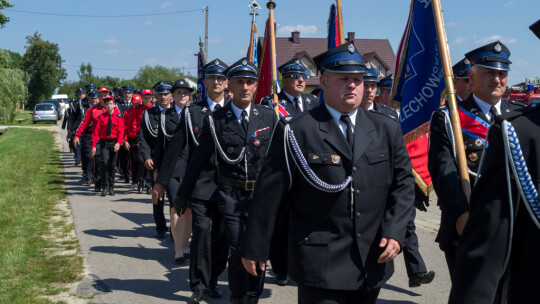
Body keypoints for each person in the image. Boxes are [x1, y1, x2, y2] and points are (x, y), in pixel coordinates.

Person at [241, 41, 414, 304]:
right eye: (343, 78)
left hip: (371, 258)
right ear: (322, 80)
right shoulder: (297, 130)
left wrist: (395, 231)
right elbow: (270, 193)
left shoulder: (386, 129)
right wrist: (255, 245)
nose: (353, 85)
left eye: (358, 79)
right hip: (320, 260)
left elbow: (402, 185)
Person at [176, 58, 277, 304]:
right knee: (239, 250)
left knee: (260, 251)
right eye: (240, 82)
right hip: (231, 198)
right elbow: (199, 158)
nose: (245, 87)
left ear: (255, 87)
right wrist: (183, 193)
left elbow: (278, 161)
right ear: (230, 85)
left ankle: (252, 294)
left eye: (250, 82)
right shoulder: (216, 119)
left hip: (259, 199)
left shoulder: (268, 117)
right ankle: (239, 297)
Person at [428, 41, 525, 285]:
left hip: (514, 228)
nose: (497, 79)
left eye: (502, 73)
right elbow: (443, 170)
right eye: (489, 72)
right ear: (471, 76)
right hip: (468, 225)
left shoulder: (519, 116)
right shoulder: (449, 118)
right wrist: (462, 216)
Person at [153, 58, 230, 303]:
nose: (216, 82)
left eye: (220, 78)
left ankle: (214, 279)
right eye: (211, 78)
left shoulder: (233, 110)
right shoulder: (192, 112)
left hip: (228, 188)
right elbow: (176, 146)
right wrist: (161, 181)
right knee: (202, 233)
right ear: (204, 82)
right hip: (200, 186)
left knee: (221, 238)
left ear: (226, 82)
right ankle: (199, 285)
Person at [361, 66, 435, 287]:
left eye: (373, 85)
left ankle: (417, 271)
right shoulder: (350, 115)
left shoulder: (389, 115)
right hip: (367, 185)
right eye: (366, 85)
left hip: (391, 183)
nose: (369, 90)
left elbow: (401, 152)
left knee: (407, 223)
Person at [259, 57, 319, 287]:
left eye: (303, 76)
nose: (301, 80)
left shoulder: (313, 102)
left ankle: (301, 265)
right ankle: (281, 268)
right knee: (281, 223)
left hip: (308, 171)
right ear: (283, 80)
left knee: (305, 222)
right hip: (283, 168)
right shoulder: (271, 102)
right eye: (295, 76)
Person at [153, 79, 193, 263]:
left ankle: (185, 245)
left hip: (193, 169)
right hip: (173, 170)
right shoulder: (165, 117)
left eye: (186, 93)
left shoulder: (196, 114)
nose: (182, 95)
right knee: (177, 206)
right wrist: (158, 174)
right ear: (172, 96)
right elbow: (159, 147)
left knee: (189, 209)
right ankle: (178, 249)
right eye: (179, 93)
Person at [139, 80, 172, 238]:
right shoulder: (148, 114)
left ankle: (176, 229)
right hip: (155, 161)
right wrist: (146, 157)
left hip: (174, 162)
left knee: (175, 197)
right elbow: (143, 138)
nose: (163, 97)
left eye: (166, 93)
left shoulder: (178, 113)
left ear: (171, 95)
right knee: (157, 196)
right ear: (155, 96)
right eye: (160, 94)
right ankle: (160, 227)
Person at [74, 88, 120, 192]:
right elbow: (85, 122)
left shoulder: (114, 109)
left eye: (105, 96)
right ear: (98, 97)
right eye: (101, 96)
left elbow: (120, 124)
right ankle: (99, 182)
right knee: (99, 162)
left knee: (109, 163)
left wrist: (120, 140)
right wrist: (77, 135)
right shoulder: (93, 109)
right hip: (97, 139)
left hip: (110, 140)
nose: (103, 98)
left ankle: (108, 184)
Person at [91, 96, 124, 196]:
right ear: (105, 106)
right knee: (105, 164)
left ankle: (111, 187)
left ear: (114, 105)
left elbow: (121, 132)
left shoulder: (118, 117)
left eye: (110, 103)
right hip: (104, 143)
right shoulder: (102, 118)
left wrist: (118, 143)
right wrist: (93, 146)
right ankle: (104, 187)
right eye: (107, 104)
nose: (109, 105)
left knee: (113, 166)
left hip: (114, 143)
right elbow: (96, 132)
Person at [124, 93, 151, 192]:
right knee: (139, 161)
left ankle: (148, 184)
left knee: (149, 161)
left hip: (150, 139)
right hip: (137, 139)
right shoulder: (136, 110)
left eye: (149, 98)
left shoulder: (154, 109)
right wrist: (125, 139)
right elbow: (127, 124)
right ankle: (138, 181)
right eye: (145, 98)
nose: (147, 100)